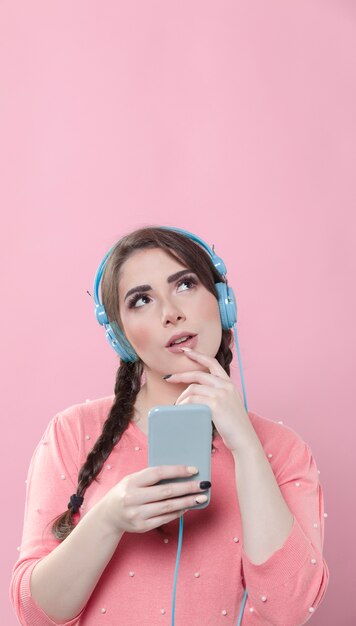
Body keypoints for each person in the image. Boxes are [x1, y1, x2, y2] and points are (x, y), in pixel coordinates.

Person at [9, 225, 329, 625]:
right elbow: (35, 615)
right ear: (120, 336)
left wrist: (246, 445)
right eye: (141, 299)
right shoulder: (71, 432)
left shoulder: (283, 448)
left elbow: (291, 610)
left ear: (222, 302)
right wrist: (108, 519)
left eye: (185, 284)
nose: (170, 312)